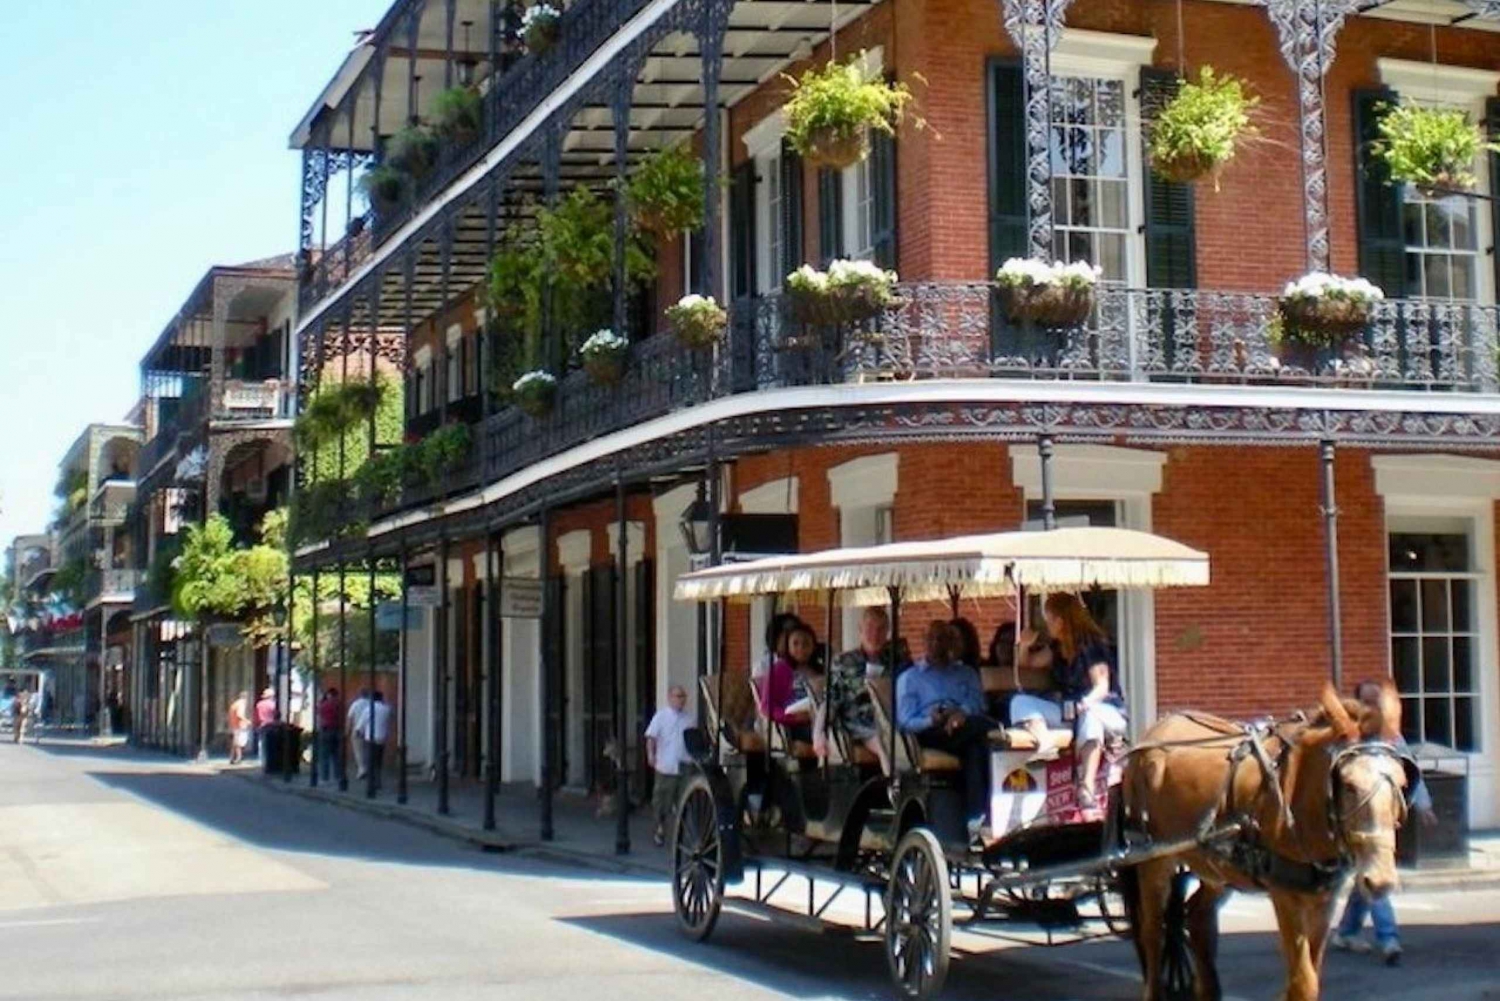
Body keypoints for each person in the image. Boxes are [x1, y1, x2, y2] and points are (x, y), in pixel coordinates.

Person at [1330, 679, 1437, 965]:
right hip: (1357, 821)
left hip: (1382, 819)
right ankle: (1389, 939)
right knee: (1376, 876)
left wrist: (1423, 805)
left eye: (1376, 701)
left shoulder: (1391, 736)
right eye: (1366, 701)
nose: (1372, 707)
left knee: (1366, 876)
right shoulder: (1349, 735)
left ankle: (1347, 931)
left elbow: (1408, 764)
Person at [1010, 593, 1125, 810]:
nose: (1047, 625)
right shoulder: (1057, 647)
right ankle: (1044, 742)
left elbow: (1102, 687)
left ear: (1061, 621)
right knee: (1019, 702)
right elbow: (1028, 664)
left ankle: (1086, 787)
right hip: (1069, 709)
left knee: (1091, 717)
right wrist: (1024, 646)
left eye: (1049, 619)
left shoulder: (1091, 645)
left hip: (1104, 709)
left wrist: (1084, 704)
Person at [896, 620, 995, 835]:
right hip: (929, 732)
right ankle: (997, 730)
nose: (936, 644)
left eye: (941, 639)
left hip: (964, 728)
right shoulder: (910, 678)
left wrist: (961, 714)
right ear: (923, 641)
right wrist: (932, 720)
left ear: (951, 642)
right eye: (930, 639)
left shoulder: (966, 673)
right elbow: (904, 721)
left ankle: (975, 819)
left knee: (975, 748)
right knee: (985, 732)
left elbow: (979, 704)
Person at [817, 606, 896, 774]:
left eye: (881, 629)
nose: (875, 634)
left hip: (891, 719)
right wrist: (819, 732)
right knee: (886, 743)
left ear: (887, 632)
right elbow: (830, 700)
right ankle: (894, 785)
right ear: (860, 630)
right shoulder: (843, 661)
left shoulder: (895, 660)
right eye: (870, 628)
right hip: (859, 722)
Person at [644, 685, 695, 846]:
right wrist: (651, 755)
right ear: (670, 698)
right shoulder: (661, 716)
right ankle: (660, 828)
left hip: (684, 765)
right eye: (678, 696)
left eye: (683, 696)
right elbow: (651, 737)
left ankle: (682, 833)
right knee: (661, 801)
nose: (681, 700)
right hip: (665, 765)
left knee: (683, 801)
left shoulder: (690, 719)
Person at [758, 622, 822, 746]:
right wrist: (792, 718)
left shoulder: (820, 670)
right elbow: (766, 706)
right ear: (787, 646)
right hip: (794, 725)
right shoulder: (779, 670)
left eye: (806, 644)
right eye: (795, 644)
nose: (801, 648)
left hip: (820, 719)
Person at [364, 692, 393, 793]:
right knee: (378, 760)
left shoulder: (369, 709)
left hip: (370, 737)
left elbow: (363, 721)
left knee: (370, 760)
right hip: (382, 737)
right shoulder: (386, 709)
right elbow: (390, 718)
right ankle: (378, 780)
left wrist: (358, 730)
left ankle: (371, 782)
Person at [315, 687, 344, 783]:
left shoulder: (324, 705)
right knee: (336, 755)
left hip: (325, 730)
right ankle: (337, 776)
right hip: (337, 730)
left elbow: (319, 714)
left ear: (329, 695)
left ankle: (325, 777)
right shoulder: (339, 705)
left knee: (324, 755)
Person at [347, 688, 373, 780]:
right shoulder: (371, 703)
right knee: (368, 750)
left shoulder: (355, 704)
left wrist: (347, 730)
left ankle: (362, 769)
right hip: (369, 730)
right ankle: (368, 768)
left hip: (357, 729)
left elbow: (350, 718)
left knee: (358, 751)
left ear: (360, 694)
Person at [227, 691, 252, 765]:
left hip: (234, 725)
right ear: (245, 698)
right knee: (240, 743)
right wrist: (247, 721)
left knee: (235, 742)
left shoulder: (235, 704)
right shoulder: (241, 704)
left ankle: (233, 757)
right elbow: (239, 714)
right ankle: (238, 758)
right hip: (239, 726)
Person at [254, 687, 278, 761]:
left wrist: (256, 724)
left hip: (261, 724)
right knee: (271, 742)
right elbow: (276, 714)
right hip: (271, 725)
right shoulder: (273, 705)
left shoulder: (259, 704)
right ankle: (270, 758)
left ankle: (261, 759)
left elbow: (256, 716)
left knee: (261, 742)